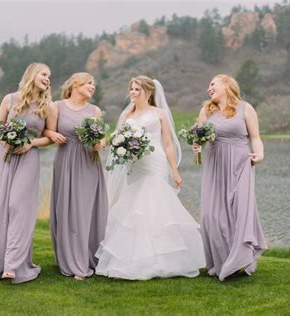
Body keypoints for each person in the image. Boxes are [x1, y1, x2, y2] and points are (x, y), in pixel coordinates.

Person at [95, 75, 205, 280]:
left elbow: (168, 144)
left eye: (137, 89)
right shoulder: (127, 114)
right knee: (135, 206)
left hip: (156, 161)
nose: (133, 93)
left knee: (156, 202)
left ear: (149, 92)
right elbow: (117, 139)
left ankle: (165, 260)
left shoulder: (159, 113)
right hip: (135, 164)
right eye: (131, 89)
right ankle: (136, 259)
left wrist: (175, 170)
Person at [0, 63, 53, 284]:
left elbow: (49, 137)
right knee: (0, 206)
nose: (48, 79)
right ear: (32, 75)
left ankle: (13, 265)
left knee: (18, 206)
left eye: (49, 76)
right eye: (44, 74)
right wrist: (5, 139)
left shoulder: (48, 106)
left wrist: (30, 144)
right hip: (5, 158)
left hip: (28, 158)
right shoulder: (10, 99)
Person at [193, 74, 267, 281]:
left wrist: (259, 154)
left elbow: (255, 137)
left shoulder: (246, 108)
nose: (209, 88)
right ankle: (222, 261)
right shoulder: (206, 111)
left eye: (212, 84)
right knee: (211, 216)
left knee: (239, 212)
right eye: (208, 85)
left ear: (227, 84)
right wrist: (196, 147)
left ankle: (240, 259)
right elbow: (199, 140)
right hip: (216, 166)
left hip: (240, 164)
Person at [44, 72, 108, 280]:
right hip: (66, 162)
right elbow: (47, 131)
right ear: (75, 85)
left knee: (87, 210)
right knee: (68, 210)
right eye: (89, 83)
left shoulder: (94, 111)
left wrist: (101, 143)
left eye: (93, 83)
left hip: (89, 161)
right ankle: (73, 260)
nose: (92, 87)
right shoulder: (57, 106)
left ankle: (90, 257)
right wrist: (51, 134)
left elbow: (101, 139)